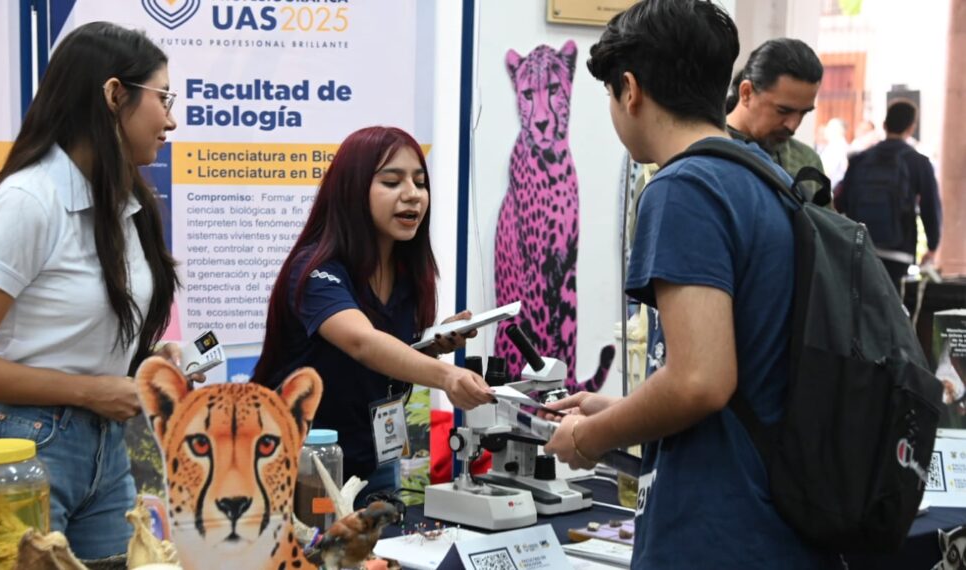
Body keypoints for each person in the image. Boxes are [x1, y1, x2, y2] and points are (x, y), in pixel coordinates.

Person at [542, 1, 839, 567]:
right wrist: (615, 411)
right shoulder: (764, 178)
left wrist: (588, 439)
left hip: (720, 528)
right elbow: (743, 369)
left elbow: (701, 380)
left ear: (629, 90)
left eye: (609, 95)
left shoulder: (684, 187)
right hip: (778, 520)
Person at [0, 22, 180, 564]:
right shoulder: (28, 201)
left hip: (103, 454)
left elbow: (65, 335)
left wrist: (145, 361)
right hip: (18, 450)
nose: (171, 120)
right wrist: (91, 391)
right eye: (164, 98)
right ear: (114, 94)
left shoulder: (121, 203)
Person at [252, 126, 494, 503]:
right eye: (392, 181)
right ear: (352, 189)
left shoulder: (408, 274)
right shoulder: (316, 270)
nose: (412, 194)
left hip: (375, 460)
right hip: (299, 464)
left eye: (419, 181)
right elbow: (362, 343)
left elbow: (380, 360)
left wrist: (429, 346)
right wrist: (448, 376)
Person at [835, 99, 942, 284]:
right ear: (911, 127)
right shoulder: (918, 162)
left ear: (884, 125)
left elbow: (841, 202)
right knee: (890, 307)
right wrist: (932, 246)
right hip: (899, 250)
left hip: (861, 245)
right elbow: (930, 206)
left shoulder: (860, 159)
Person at [725, 37, 825, 179]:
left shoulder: (806, 162)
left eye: (803, 113)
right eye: (783, 111)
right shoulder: (704, 151)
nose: (793, 126)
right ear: (746, 93)